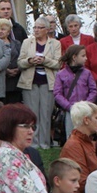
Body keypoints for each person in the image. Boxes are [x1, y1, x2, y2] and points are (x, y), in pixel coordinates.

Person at [17, 16, 61, 149]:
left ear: (47, 30)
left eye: (40, 28)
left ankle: (45, 143)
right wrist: (30, 61)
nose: (36, 30)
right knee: (32, 114)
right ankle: (33, 144)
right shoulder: (27, 42)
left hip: (48, 83)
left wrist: (44, 60)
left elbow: (58, 64)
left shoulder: (55, 44)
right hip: (29, 82)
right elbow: (20, 62)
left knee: (46, 114)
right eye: (34, 27)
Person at [54, 45, 97, 139]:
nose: (86, 58)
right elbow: (57, 94)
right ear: (74, 57)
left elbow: (93, 90)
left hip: (85, 111)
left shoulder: (87, 73)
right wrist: (69, 107)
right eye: (83, 56)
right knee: (71, 135)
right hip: (70, 111)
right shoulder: (61, 74)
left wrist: (86, 105)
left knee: (86, 135)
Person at [60, 101, 97, 193]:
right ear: (86, 120)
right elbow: (82, 181)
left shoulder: (89, 142)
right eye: (96, 118)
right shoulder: (73, 145)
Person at [0, 18, 22, 104]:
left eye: (3, 29)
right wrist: (6, 71)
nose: (0, 31)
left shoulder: (17, 43)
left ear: (9, 31)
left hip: (15, 81)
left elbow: (21, 57)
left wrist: (18, 69)